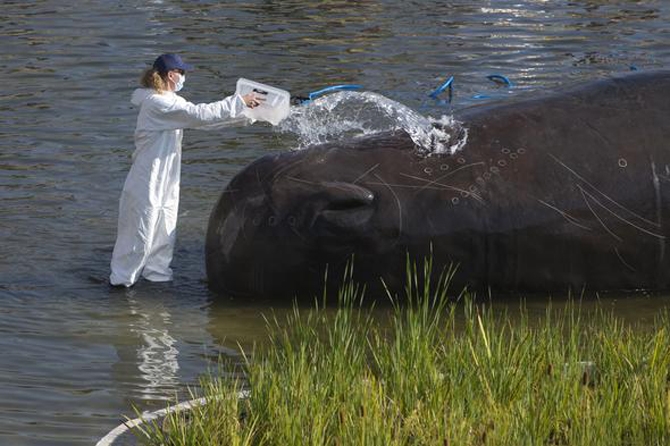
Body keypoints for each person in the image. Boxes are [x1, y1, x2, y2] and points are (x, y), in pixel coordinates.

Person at [110, 53, 263, 287]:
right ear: (171, 75)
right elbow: (199, 114)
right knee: (139, 234)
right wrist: (238, 101)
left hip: (166, 178)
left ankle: (157, 281)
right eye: (182, 72)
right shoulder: (157, 103)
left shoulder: (172, 101)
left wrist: (248, 115)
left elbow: (205, 122)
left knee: (164, 230)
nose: (184, 76)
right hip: (147, 179)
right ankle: (120, 285)